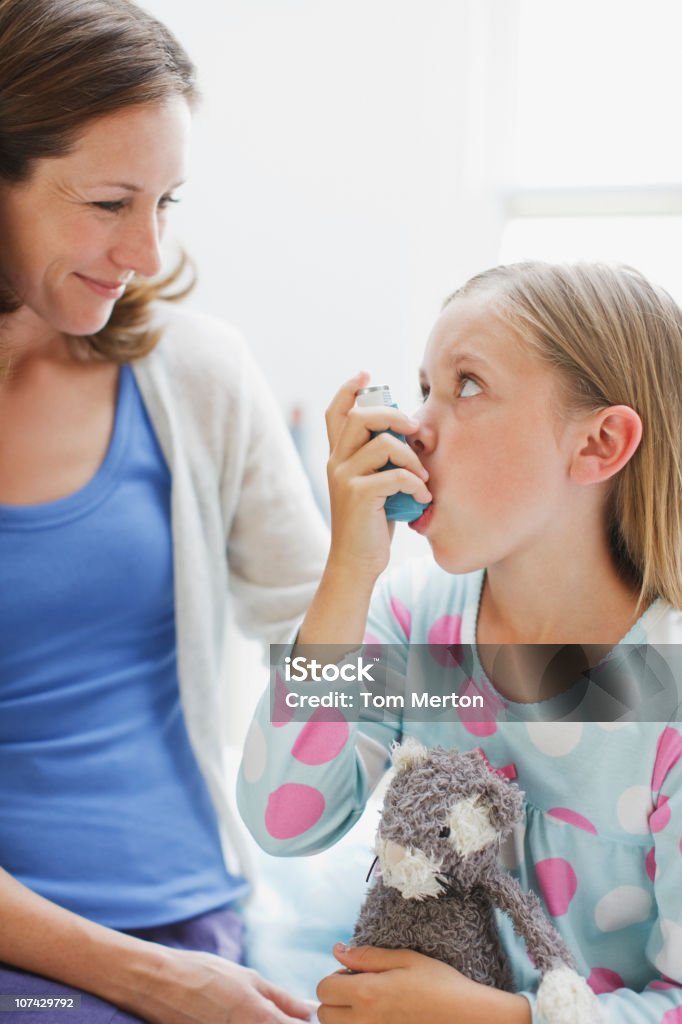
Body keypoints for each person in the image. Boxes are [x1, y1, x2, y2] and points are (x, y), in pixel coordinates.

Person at [237, 261, 682, 1023]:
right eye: (423, 390)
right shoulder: (415, 620)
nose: (416, 427)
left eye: (467, 385)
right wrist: (349, 569)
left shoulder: (664, 687)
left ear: (599, 444)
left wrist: (496, 1018)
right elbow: (284, 819)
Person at [0, 1, 329, 1021]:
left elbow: (314, 640)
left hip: (189, 908)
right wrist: (151, 982)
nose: (145, 250)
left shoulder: (196, 373)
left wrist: (356, 563)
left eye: (167, 202)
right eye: (108, 202)